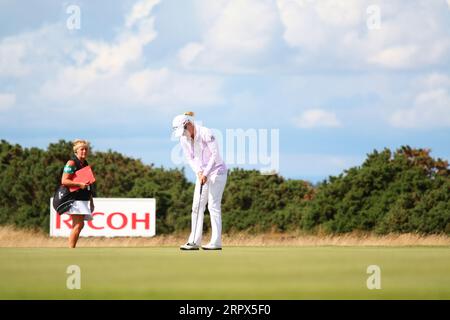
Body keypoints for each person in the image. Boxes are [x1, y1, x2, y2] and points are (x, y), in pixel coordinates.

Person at [172, 112, 228, 250]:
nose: (183, 134)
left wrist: (206, 173)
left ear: (189, 124)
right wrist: (199, 172)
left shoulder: (205, 133)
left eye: (184, 130)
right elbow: (190, 158)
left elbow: (215, 155)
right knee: (197, 206)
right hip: (202, 173)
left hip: (217, 172)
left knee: (213, 206)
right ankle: (194, 241)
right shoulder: (183, 139)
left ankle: (216, 242)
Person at [61, 139, 95, 248]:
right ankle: (71, 250)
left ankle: (72, 248)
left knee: (80, 225)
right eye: (82, 149)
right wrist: (79, 185)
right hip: (74, 198)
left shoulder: (85, 163)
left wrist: (91, 201)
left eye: (86, 149)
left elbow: (88, 184)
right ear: (76, 151)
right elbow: (64, 180)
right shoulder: (71, 163)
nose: (84, 151)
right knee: (78, 224)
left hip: (83, 198)